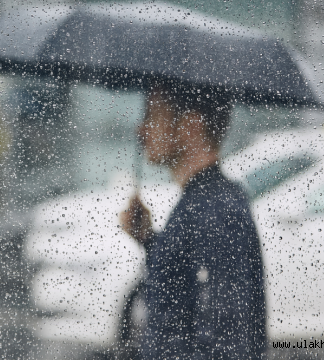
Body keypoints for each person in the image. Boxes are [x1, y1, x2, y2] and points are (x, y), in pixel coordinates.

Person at [120, 81, 266, 359]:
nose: (140, 131)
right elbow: (182, 293)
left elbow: (227, 334)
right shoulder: (202, 202)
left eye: (152, 116)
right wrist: (149, 239)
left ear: (191, 125)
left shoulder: (216, 209)